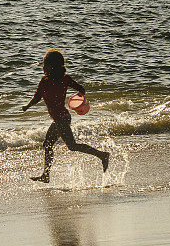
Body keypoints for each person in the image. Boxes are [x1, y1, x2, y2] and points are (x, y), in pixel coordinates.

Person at [22, 48, 109, 183]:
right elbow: (81, 89)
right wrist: (80, 99)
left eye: (45, 63)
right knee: (48, 144)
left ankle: (102, 155)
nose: (43, 66)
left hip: (61, 119)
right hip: (62, 118)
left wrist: (27, 106)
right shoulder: (65, 79)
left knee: (72, 146)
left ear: (49, 66)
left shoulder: (45, 81)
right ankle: (46, 175)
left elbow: (37, 98)